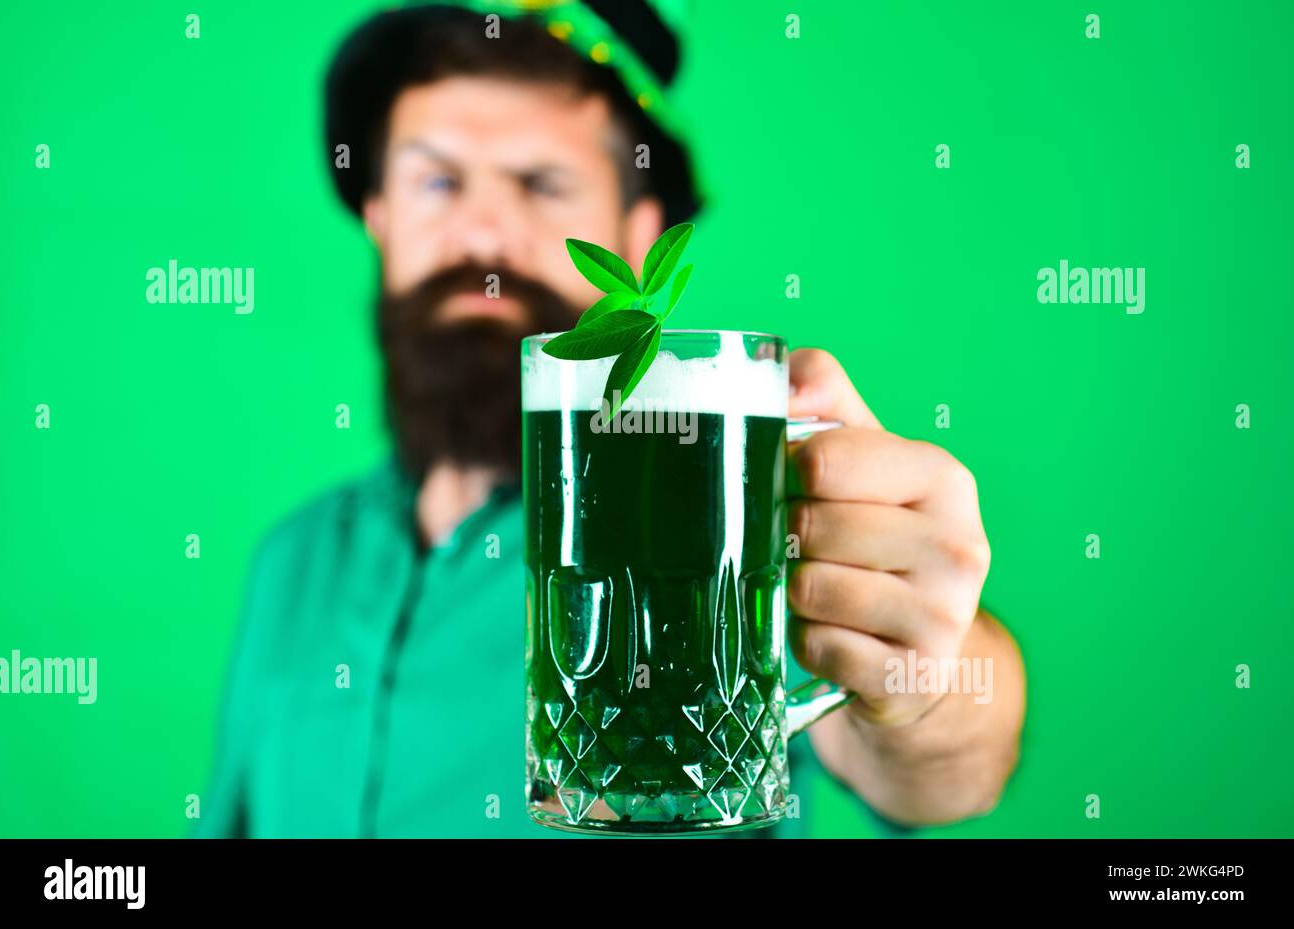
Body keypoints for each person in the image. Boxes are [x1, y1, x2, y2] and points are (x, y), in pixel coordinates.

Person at [193, 0, 1025, 839]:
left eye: (542, 184)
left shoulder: (707, 518)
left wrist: (923, 680)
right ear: (378, 218)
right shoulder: (289, 564)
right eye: (437, 181)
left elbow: (949, 766)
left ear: (638, 236)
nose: (482, 231)